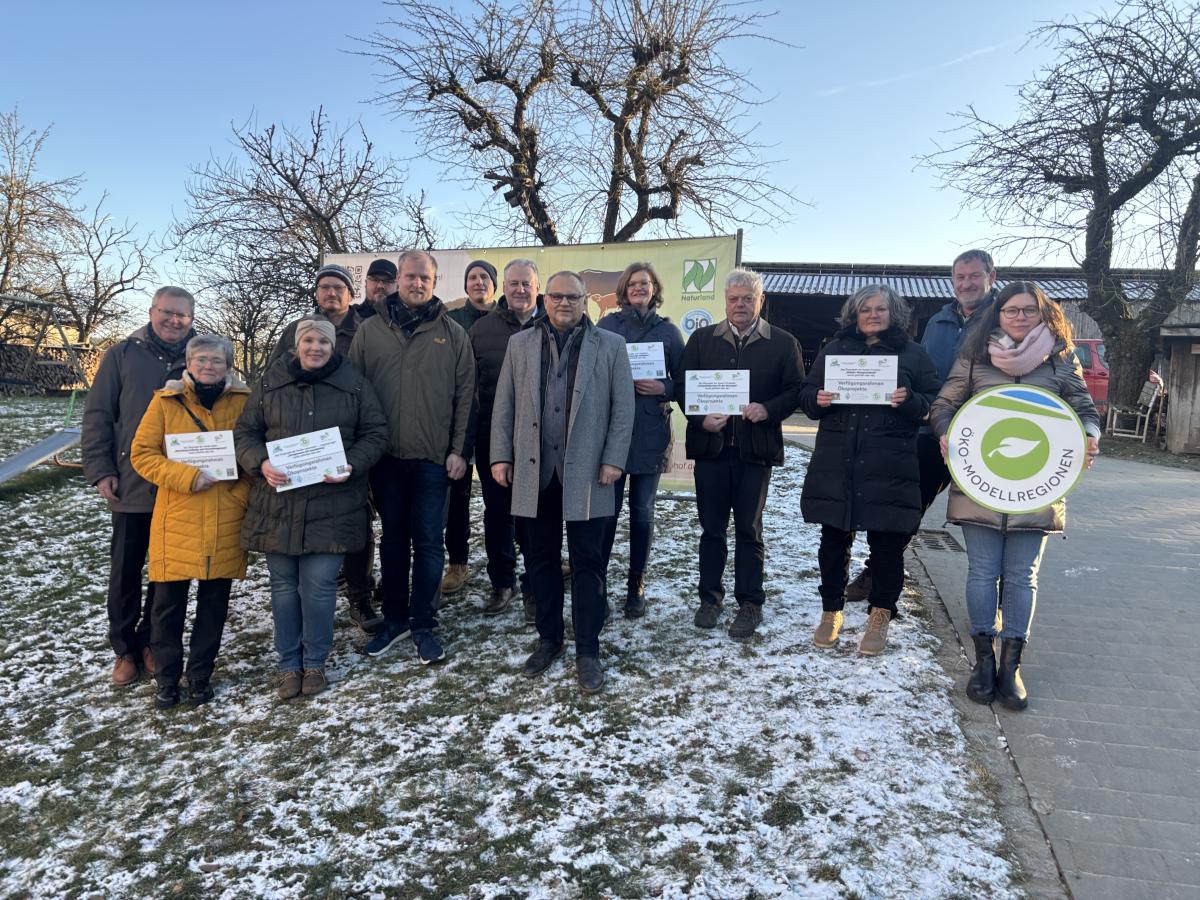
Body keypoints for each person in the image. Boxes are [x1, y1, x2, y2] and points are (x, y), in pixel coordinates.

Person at [930, 281, 1101, 710]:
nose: (1020, 317)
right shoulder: (974, 357)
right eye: (1012, 310)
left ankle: (1012, 666)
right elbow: (942, 405)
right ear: (998, 314)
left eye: (1029, 311)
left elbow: (1083, 408)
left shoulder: (1062, 360)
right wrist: (946, 431)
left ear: (1044, 315)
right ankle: (983, 662)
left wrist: (1090, 435)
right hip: (980, 485)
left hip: (1036, 487)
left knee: (1023, 575)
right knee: (983, 572)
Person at [490, 270, 634, 693]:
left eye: (573, 297)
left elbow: (623, 410)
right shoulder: (520, 345)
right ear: (544, 299)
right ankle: (549, 639)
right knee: (540, 561)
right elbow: (505, 404)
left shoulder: (610, 346)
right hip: (536, 472)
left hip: (590, 472)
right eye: (556, 296)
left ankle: (588, 649)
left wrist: (613, 461)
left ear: (586, 300)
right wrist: (500, 455)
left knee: (589, 563)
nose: (564, 303)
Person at [235, 318, 389, 699]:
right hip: (279, 504)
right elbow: (245, 433)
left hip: (332, 503)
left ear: (333, 346)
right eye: (308, 340)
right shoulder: (271, 383)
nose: (315, 347)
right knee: (284, 587)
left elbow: (376, 432)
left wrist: (352, 463)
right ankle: (289, 665)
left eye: (323, 341)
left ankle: (315, 662)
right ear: (296, 344)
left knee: (318, 586)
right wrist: (260, 463)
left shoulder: (353, 384)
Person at [846, 249, 999, 604]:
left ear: (992, 276)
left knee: (996, 517)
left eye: (974, 276)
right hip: (933, 430)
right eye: (960, 277)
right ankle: (878, 572)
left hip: (986, 434)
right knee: (906, 506)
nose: (966, 283)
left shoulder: (1005, 318)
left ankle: (1002, 593)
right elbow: (923, 374)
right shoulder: (939, 321)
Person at [799, 286, 941, 655]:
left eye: (881, 309)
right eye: (866, 309)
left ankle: (880, 615)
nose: (873, 315)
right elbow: (807, 395)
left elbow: (934, 402)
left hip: (890, 463)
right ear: (854, 314)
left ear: (894, 313)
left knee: (887, 545)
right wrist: (817, 399)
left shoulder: (913, 354)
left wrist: (910, 401)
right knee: (833, 541)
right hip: (838, 461)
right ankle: (832, 611)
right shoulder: (834, 350)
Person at [349, 249, 475, 664]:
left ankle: (424, 622)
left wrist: (459, 451)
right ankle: (395, 620)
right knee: (393, 542)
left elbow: (465, 398)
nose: (417, 283)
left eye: (425, 277)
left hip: (433, 460)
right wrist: (360, 452)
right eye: (410, 276)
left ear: (435, 283)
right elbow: (355, 394)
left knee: (429, 543)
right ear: (397, 280)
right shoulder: (370, 332)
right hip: (385, 460)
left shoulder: (453, 333)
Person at [677, 269, 804, 640]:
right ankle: (710, 599)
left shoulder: (783, 343)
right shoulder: (702, 340)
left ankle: (750, 602)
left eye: (748, 299)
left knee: (749, 529)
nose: (740, 305)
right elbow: (684, 386)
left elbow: (796, 390)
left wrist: (768, 409)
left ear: (760, 301)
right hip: (711, 451)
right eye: (734, 299)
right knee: (711, 529)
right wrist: (702, 420)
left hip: (755, 451)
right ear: (725, 301)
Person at [82, 286, 196, 686]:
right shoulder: (121, 355)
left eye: (181, 315)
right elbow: (97, 415)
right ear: (152, 312)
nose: (173, 320)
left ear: (191, 318)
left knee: (166, 573)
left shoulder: (199, 360)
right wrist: (100, 469)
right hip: (132, 483)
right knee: (126, 571)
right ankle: (125, 649)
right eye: (166, 312)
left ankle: (153, 641)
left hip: (180, 486)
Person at [128, 334, 250, 709]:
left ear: (228, 365)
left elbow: (253, 453)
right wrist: (186, 477)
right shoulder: (165, 403)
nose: (208, 366)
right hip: (177, 515)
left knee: (214, 604)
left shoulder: (244, 403)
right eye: (200, 360)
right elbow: (142, 454)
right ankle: (166, 678)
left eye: (216, 360)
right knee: (167, 608)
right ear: (188, 364)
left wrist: (238, 496)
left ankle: (200, 675)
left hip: (225, 516)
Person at [267, 264, 383, 634]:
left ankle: (360, 597)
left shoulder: (365, 331)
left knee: (358, 521)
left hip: (349, 440)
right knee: (307, 519)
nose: (331, 293)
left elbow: (374, 381)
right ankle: (314, 595)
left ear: (351, 294)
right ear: (316, 293)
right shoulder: (296, 330)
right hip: (303, 443)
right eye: (324, 288)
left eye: (339, 288)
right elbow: (275, 378)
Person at [597, 262, 685, 618]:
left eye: (645, 283)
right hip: (611, 435)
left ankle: (636, 585)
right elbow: (593, 374)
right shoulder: (606, 326)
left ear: (654, 288)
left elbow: (685, 381)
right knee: (606, 514)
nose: (639, 288)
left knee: (642, 513)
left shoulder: (669, 332)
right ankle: (597, 585)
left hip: (651, 431)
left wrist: (663, 387)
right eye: (632, 283)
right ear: (623, 289)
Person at [467, 259, 543, 619]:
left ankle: (533, 585)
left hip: (539, 440)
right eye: (513, 283)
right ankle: (502, 582)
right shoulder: (482, 330)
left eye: (526, 283)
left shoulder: (551, 325)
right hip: (492, 438)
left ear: (537, 288)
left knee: (533, 514)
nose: (519, 290)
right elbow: (469, 388)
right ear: (503, 288)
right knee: (497, 514)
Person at [440, 259, 499, 597]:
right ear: (465, 286)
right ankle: (458, 563)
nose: (478, 282)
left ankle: (514, 560)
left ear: (494, 284)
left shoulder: (505, 318)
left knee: (504, 500)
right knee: (458, 498)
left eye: (484, 277)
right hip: (459, 419)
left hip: (495, 418)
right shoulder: (451, 320)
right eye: (472, 278)